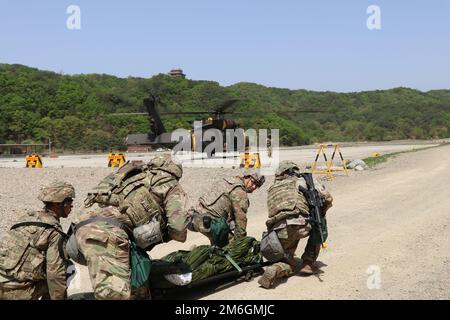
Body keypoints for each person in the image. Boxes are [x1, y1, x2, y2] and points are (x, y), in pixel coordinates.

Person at [71, 154, 190, 300]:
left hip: (76, 235)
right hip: (107, 236)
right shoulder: (169, 183)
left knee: (137, 287)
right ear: (176, 172)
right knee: (115, 295)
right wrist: (163, 232)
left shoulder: (129, 175)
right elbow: (178, 230)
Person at [258, 161, 333, 289]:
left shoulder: (272, 188)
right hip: (302, 225)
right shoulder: (304, 181)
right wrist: (320, 212)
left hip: (278, 230)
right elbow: (328, 199)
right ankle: (308, 263)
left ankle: (277, 268)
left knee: (288, 261)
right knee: (320, 222)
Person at [0, 181, 75, 300]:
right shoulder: (54, 233)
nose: (72, 206)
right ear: (58, 204)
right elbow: (55, 273)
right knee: (67, 268)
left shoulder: (26, 219)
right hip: (15, 292)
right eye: (69, 202)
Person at [188, 170, 265, 246]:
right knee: (229, 248)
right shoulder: (240, 193)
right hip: (206, 223)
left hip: (192, 217)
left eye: (257, 185)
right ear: (246, 177)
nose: (254, 186)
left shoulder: (227, 180)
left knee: (223, 233)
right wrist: (240, 244)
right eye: (253, 182)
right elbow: (241, 221)